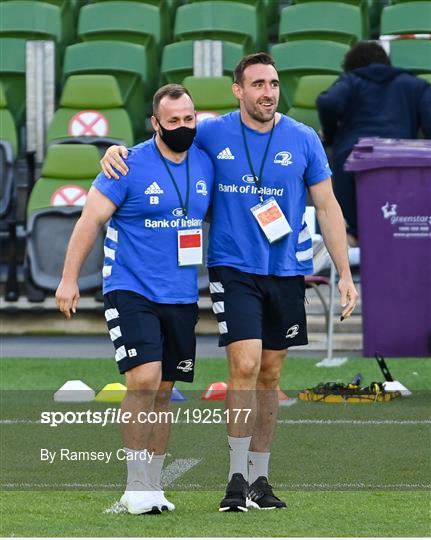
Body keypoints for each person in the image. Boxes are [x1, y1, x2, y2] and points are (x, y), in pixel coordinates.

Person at [100, 52, 358, 513]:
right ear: (238, 90)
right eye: (258, 84)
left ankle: (260, 479)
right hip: (232, 267)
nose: (268, 92)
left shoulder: (303, 139)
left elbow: (328, 207)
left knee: (272, 374)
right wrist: (116, 151)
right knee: (245, 365)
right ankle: (235, 478)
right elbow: (163, 143)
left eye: (274, 84)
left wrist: (343, 273)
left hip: (285, 269)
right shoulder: (212, 132)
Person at [55, 84, 214, 515]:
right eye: (174, 120)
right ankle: (135, 485)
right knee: (143, 381)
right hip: (130, 287)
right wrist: (69, 279)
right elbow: (89, 221)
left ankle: (153, 486)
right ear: (155, 123)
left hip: (181, 294)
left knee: (165, 390)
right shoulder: (126, 165)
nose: (183, 126)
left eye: (189, 119)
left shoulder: (206, 157)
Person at [317, 41, 431, 245]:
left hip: (353, 158)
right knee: (401, 227)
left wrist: (332, 136)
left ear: (352, 64)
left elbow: (327, 102)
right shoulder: (415, 84)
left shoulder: (351, 80)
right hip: (400, 160)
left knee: (353, 230)